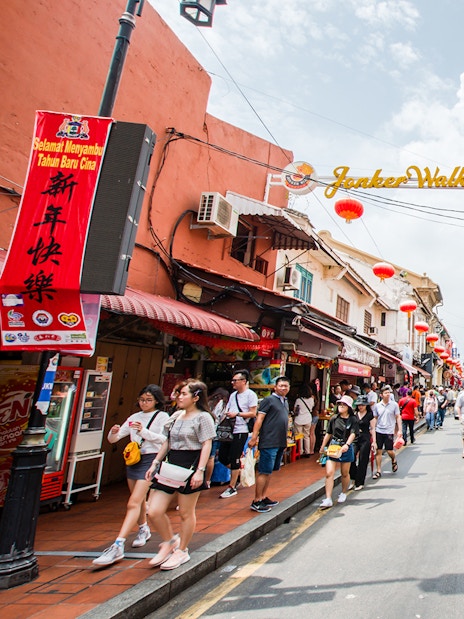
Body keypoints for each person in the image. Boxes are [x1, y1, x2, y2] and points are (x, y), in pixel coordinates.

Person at [92, 385, 169, 567]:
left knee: (133, 502)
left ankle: (118, 544)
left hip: (151, 460)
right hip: (133, 460)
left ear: (156, 400)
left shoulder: (162, 417)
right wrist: (113, 432)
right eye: (142, 399)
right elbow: (114, 439)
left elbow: (164, 440)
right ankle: (143, 529)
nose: (144, 403)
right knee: (139, 500)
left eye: (148, 400)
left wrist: (143, 432)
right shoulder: (134, 417)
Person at [145, 380, 216, 570]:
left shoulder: (204, 418)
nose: (179, 397)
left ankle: (182, 550)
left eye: (183, 393)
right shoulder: (176, 415)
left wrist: (200, 471)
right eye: (179, 393)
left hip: (191, 464)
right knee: (154, 510)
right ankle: (169, 541)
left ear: (196, 397)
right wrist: (155, 463)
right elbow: (167, 442)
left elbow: (206, 444)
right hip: (170, 464)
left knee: (186, 512)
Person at [248, 376, 291, 513]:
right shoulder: (269, 400)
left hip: (279, 441)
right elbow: (259, 419)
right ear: (275, 387)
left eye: (286, 386)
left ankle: (263, 496)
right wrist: (254, 437)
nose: (283, 388)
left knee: (269, 471)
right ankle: (256, 500)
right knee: (264, 471)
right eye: (281, 386)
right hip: (269, 441)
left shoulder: (284, 401)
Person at [217, 369, 257, 499]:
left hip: (241, 430)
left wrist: (238, 414)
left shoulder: (250, 395)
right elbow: (228, 409)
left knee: (235, 458)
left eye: (235, 380)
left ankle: (232, 487)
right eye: (233, 380)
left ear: (243, 381)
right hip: (229, 430)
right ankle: (239, 474)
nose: (233, 382)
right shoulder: (233, 395)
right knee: (223, 457)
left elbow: (253, 413)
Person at [318, 395, 358, 508]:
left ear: (348, 407)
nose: (341, 406)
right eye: (340, 404)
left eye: (344, 404)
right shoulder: (334, 418)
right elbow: (329, 433)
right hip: (334, 446)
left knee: (345, 473)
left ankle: (344, 492)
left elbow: (353, 433)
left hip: (345, 447)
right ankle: (328, 498)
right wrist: (323, 446)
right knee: (329, 473)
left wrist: (347, 444)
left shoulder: (353, 419)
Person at [372, 385, 402, 479]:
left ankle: (393, 459)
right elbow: (375, 418)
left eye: (389, 393)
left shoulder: (394, 405)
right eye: (386, 393)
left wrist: (399, 430)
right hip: (379, 430)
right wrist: (372, 429)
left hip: (389, 431)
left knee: (390, 451)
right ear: (381, 395)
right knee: (379, 451)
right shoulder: (377, 406)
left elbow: (398, 417)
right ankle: (378, 471)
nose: (388, 394)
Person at [349, 394, 375, 491]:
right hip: (354, 438)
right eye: (359, 405)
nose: (360, 407)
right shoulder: (354, 414)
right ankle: (354, 478)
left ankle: (360, 482)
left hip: (365, 438)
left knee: (363, 460)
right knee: (351, 458)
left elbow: (373, 428)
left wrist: (374, 442)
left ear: (366, 405)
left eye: (362, 405)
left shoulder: (369, 415)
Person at [205, 387, 229, 488]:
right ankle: (207, 480)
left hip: (204, 432)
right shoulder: (223, 405)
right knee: (211, 457)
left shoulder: (207, 403)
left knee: (206, 456)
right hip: (214, 433)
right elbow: (221, 418)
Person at [293, 384, 317, 457]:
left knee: (299, 436)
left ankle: (300, 451)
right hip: (308, 419)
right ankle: (307, 452)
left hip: (299, 419)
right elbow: (312, 407)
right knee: (306, 436)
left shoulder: (298, 400)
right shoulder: (311, 399)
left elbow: (295, 410)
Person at [454, 389, 464, 457]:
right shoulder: (461, 396)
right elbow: (457, 407)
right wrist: (460, 416)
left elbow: (457, 407)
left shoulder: (461, 396)